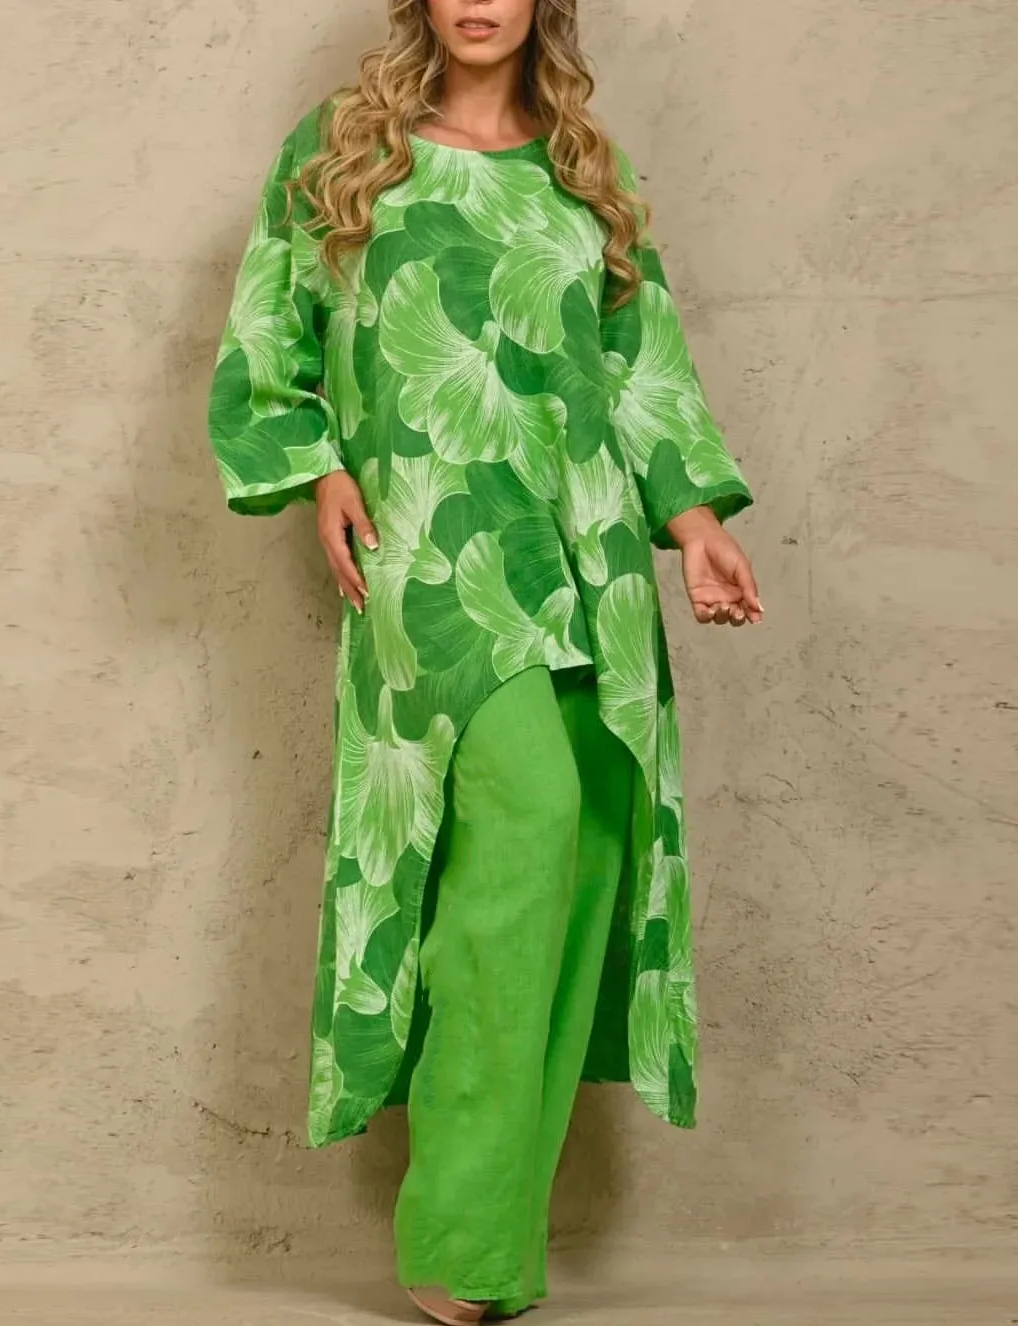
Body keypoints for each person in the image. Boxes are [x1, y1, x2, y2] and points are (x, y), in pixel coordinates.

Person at [206, 1, 761, 1321]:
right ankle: (456, 1239)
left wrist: (692, 528)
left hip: (585, 551)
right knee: (527, 831)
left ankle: (488, 1247)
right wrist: (317, 469)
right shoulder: (345, 146)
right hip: (430, 546)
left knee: (577, 868)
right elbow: (267, 332)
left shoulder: (585, 168)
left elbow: (640, 366)